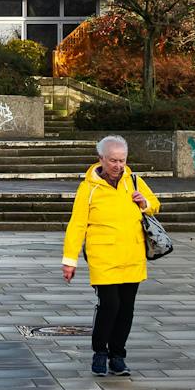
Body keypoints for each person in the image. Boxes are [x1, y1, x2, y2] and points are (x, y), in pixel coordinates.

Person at [61, 135, 161, 377]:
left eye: (122, 161)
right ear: (101, 159)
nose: (118, 166)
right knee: (110, 305)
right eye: (113, 160)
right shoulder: (89, 188)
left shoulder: (134, 180)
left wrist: (145, 202)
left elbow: (155, 205)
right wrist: (69, 260)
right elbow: (77, 224)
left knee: (127, 308)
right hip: (103, 257)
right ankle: (100, 352)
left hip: (133, 254)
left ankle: (118, 356)